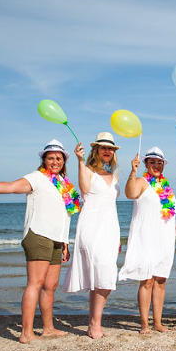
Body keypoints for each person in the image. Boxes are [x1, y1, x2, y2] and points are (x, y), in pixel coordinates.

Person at [0, 139, 80, 343]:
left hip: (56, 239)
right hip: (38, 235)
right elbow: (11, 186)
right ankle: (26, 332)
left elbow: (63, 216)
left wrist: (64, 243)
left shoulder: (63, 185)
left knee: (50, 286)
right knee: (35, 283)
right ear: (44, 159)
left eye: (59, 158)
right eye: (51, 157)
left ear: (64, 161)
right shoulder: (36, 178)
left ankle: (48, 328)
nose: (55, 161)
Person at [64, 132, 121, 339]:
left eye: (110, 148)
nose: (107, 151)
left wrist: (118, 236)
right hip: (91, 226)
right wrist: (79, 160)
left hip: (110, 228)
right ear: (96, 150)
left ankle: (93, 322)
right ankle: (95, 323)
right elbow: (85, 188)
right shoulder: (87, 170)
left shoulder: (114, 176)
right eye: (103, 147)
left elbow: (112, 206)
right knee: (105, 272)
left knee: (102, 276)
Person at [119, 146, 176, 334]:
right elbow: (130, 193)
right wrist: (133, 171)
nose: (156, 165)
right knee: (147, 280)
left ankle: (158, 322)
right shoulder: (142, 181)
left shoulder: (166, 187)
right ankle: (145, 323)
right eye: (152, 161)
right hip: (147, 237)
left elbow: (170, 213)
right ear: (146, 163)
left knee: (160, 280)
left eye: (159, 162)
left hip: (165, 238)